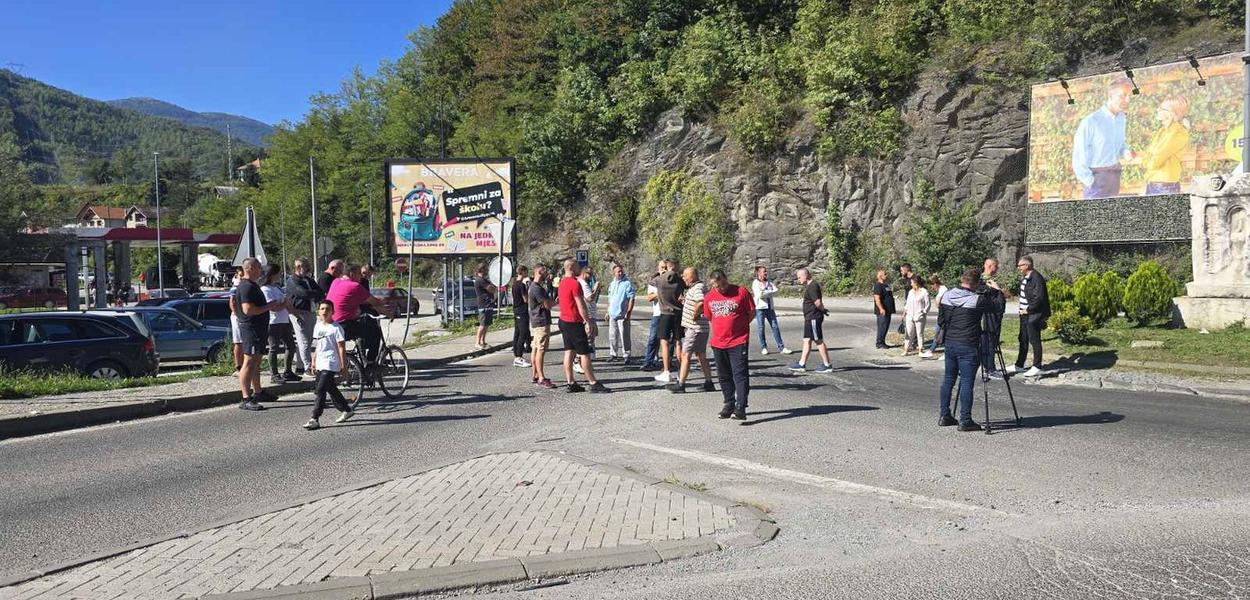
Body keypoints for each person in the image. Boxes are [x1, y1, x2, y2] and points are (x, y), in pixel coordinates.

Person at [936, 268, 1002, 431]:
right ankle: (965, 420)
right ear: (976, 283)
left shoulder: (947, 295)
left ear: (962, 280)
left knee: (948, 379)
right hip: (968, 344)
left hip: (950, 343)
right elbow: (997, 307)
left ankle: (944, 416)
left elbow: (941, 320)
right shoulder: (977, 300)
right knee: (966, 382)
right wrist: (997, 291)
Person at [703, 270, 754, 420]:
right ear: (712, 285)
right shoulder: (709, 297)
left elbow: (751, 312)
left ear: (727, 279)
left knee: (740, 374)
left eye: (724, 284)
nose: (722, 288)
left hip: (738, 341)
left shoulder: (741, 292)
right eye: (718, 286)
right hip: (718, 342)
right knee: (724, 375)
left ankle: (741, 407)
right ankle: (728, 403)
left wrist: (741, 327)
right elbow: (709, 316)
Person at [1073, 78, 1135, 199]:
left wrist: (1126, 152)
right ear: (1110, 96)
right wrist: (1091, 182)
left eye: (1129, 96)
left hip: (1115, 176)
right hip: (1096, 180)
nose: (1127, 100)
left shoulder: (1121, 118)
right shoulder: (1091, 121)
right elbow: (1078, 156)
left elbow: (1121, 144)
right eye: (1122, 96)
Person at [235, 258, 284, 411]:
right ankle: (245, 397)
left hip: (259, 329)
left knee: (256, 362)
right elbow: (248, 310)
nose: (261, 270)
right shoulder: (246, 287)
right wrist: (269, 306)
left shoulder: (252, 285)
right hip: (251, 329)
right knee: (249, 362)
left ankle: (258, 392)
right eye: (257, 267)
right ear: (249, 268)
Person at [557, 259, 609, 393]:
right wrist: (588, 321)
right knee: (584, 353)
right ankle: (593, 382)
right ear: (571, 268)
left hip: (564, 320)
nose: (580, 268)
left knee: (569, 351)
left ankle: (571, 382)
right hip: (574, 322)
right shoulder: (575, 284)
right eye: (577, 266)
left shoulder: (562, 282)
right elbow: (580, 304)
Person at [303, 300, 354, 430]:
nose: (325, 312)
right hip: (320, 362)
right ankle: (347, 410)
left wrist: (344, 366)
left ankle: (314, 418)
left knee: (320, 390)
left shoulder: (336, 328)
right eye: (322, 309)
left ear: (333, 312)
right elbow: (316, 345)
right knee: (331, 388)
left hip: (331, 362)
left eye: (328, 309)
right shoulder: (318, 326)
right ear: (318, 311)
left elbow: (341, 348)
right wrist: (313, 361)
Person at [327, 264, 392, 366]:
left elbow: (355, 301)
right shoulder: (355, 286)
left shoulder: (336, 282)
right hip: (345, 325)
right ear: (352, 274)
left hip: (332, 324)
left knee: (362, 328)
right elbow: (375, 302)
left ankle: (361, 359)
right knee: (375, 334)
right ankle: (370, 364)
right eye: (358, 274)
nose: (360, 277)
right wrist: (388, 311)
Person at [671, 267, 714, 393]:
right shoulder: (696, 288)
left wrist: (694, 315)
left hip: (695, 328)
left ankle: (681, 384)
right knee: (700, 355)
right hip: (700, 328)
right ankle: (709, 382)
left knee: (686, 354)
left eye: (685, 276)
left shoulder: (697, 288)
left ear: (692, 276)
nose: (683, 278)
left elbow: (701, 302)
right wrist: (686, 302)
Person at [1008, 256, 1050, 378]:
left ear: (1027, 265)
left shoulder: (1037, 278)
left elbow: (1039, 298)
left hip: (1034, 314)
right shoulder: (1026, 278)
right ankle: (1019, 365)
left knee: (1034, 340)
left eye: (1020, 265)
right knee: (1023, 338)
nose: (1018, 268)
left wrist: (1028, 309)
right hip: (1024, 314)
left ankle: (1037, 366)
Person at [1139, 96, 1191, 195]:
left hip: (1165, 185)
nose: (1158, 110)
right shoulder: (1163, 130)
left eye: (1163, 109)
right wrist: (1147, 161)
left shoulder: (1178, 133)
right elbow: (1150, 152)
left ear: (1172, 114)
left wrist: (1148, 162)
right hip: (1153, 181)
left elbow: (1156, 159)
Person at [790, 268, 833, 373]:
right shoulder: (810, 286)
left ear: (806, 275)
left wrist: (823, 310)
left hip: (813, 317)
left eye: (799, 277)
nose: (798, 279)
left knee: (818, 340)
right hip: (809, 318)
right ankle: (801, 364)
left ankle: (827, 365)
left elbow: (817, 302)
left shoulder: (813, 286)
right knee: (807, 340)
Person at [650, 259, 685, 384]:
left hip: (665, 313)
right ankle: (682, 371)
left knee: (664, 342)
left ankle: (666, 371)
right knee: (678, 342)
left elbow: (651, 281)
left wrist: (660, 272)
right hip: (678, 313)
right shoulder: (680, 280)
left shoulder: (660, 279)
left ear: (666, 267)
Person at [262, 264, 298, 384]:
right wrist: (285, 303)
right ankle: (274, 374)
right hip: (273, 322)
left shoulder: (277, 288)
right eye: (278, 273)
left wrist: (293, 312)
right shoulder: (265, 289)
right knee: (274, 348)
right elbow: (273, 308)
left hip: (284, 320)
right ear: (272, 274)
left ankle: (287, 372)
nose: (280, 275)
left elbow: (285, 304)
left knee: (291, 346)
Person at [285, 258, 322, 375]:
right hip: (298, 312)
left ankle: (300, 366)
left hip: (310, 311)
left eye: (306, 266)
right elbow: (302, 293)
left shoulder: (308, 280)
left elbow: (320, 292)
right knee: (304, 341)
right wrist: (313, 294)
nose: (304, 269)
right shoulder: (292, 281)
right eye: (301, 266)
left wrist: (313, 294)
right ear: (297, 268)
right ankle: (308, 367)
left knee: (308, 340)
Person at [751, 266, 791, 355]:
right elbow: (759, 295)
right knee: (761, 328)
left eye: (766, 271)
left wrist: (767, 292)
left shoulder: (769, 282)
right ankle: (764, 347)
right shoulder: (755, 283)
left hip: (770, 307)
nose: (765, 273)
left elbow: (776, 291)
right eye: (764, 272)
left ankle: (781, 347)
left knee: (775, 326)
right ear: (759, 273)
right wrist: (769, 292)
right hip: (760, 308)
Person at [977, 258, 1006, 378]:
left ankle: (987, 365)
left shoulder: (984, 280)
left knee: (987, 341)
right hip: (990, 316)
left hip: (989, 315)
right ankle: (990, 368)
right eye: (996, 266)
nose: (997, 269)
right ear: (990, 266)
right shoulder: (984, 282)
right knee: (990, 341)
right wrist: (998, 291)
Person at [528, 265, 556, 388]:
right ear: (539, 272)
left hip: (536, 321)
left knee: (535, 347)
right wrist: (556, 300)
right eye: (545, 273)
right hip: (541, 321)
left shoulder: (533, 287)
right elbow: (548, 305)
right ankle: (541, 377)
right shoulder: (537, 288)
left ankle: (535, 374)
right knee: (541, 349)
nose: (547, 275)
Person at [640, 260, 667, 372]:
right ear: (658, 268)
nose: (664, 269)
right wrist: (662, 292)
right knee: (653, 339)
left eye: (665, 267)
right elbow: (650, 298)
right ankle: (649, 361)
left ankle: (668, 364)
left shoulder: (673, 281)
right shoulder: (654, 282)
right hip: (657, 314)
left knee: (668, 340)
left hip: (669, 313)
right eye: (662, 267)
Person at [606, 263, 636, 363]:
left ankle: (626, 355)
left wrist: (629, 312)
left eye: (621, 271)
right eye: (618, 271)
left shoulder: (627, 283)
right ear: (613, 273)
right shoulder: (612, 283)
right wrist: (607, 311)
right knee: (612, 335)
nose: (620, 273)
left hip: (623, 314)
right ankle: (613, 354)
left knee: (624, 335)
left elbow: (631, 298)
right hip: (612, 314)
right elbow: (610, 298)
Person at [574, 266, 601, 372]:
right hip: (588, 316)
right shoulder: (584, 284)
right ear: (584, 273)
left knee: (589, 339)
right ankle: (578, 362)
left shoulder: (581, 283)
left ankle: (585, 362)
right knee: (587, 340)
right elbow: (590, 298)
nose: (591, 276)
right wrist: (596, 289)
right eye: (589, 274)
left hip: (590, 315)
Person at [902, 275, 930, 356]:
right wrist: (904, 312)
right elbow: (907, 303)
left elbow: (928, 304)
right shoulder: (910, 292)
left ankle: (920, 350)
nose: (911, 284)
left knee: (919, 333)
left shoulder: (924, 292)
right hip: (910, 315)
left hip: (920, 316)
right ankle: (906, 349)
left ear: (916, 283)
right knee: (908, 333)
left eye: (912, 282)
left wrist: (923, 312)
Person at [920, 275, 947, 359]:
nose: (931, 287)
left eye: (932, 285)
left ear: (935, 283)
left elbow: (938, 303)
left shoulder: (943, 290)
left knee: (941, 334)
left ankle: (934, 351)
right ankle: (931, 350)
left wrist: (937, 300)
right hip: (942, 315)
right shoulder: (941, 289)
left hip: (944, 316)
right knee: (939, 334)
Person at [511, 266, 532, 368]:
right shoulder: (521, 285)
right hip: (522, 310)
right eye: (526, 271)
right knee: (523, 333)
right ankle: (518, 357)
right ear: (522, 272)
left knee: (517, 332)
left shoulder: (514, 284)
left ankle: (516, 354)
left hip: (516, 310)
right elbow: (526, 299)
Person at [473, 265, 497, 351]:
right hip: (483, 305)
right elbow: (491, 289)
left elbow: (493, 287)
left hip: (488, 304)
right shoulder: (479, 280)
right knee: (482, 325)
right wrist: (494, 288)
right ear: (481, 270)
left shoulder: (485, 280)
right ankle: (477, 342)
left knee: (486, 325)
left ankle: (483, 341)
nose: (487, 271)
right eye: (485, 269)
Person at [872, 270, 895, 349]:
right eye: (885, 274)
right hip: (882, 311)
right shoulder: (878, 285)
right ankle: (879, 343)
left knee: (885, 327)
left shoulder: (885, 285)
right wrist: (881, 308)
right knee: (882, 326)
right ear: (880, 276)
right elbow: (877, 299)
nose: (886, 275)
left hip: (888, 310)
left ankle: (882, 341)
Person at [896, 263, 914, 335]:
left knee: (913, 324)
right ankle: (911, 340)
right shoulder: (907, 279)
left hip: (914, 304)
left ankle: (914, 341)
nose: (901, 272)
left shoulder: (915, 278)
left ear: (907, 269)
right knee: (908, 322)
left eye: (902, 270)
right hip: (908, 303)